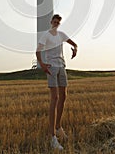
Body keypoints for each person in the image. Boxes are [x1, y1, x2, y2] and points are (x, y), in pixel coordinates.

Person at [36, 14, 78, 151]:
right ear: (51, 22)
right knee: (55, 98)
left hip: (61, 66)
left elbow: (74, 43)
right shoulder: (46, 35)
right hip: (51, 67)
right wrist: (42, 64)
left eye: (58, 23)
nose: (56, 24)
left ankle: (58, 127)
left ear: (59, 24)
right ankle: (52, 136)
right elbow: (38, 50)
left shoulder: (61, 34)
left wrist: (75, 49)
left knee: (64, 96)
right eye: (54, 22)